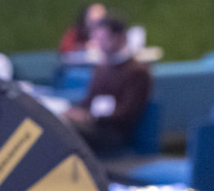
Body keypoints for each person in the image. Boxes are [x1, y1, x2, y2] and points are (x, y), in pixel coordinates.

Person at [63, 14, 151, 155]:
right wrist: (75, 112)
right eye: (97, 39)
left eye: (104, 39)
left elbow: (127, 112)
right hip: (93, 125)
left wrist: (90, 117)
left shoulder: (137, 72)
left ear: (119, 37)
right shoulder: (101, 68)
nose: (99, 44)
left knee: (64, 128)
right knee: (57, 121)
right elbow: (88, 101)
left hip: (113, 134)